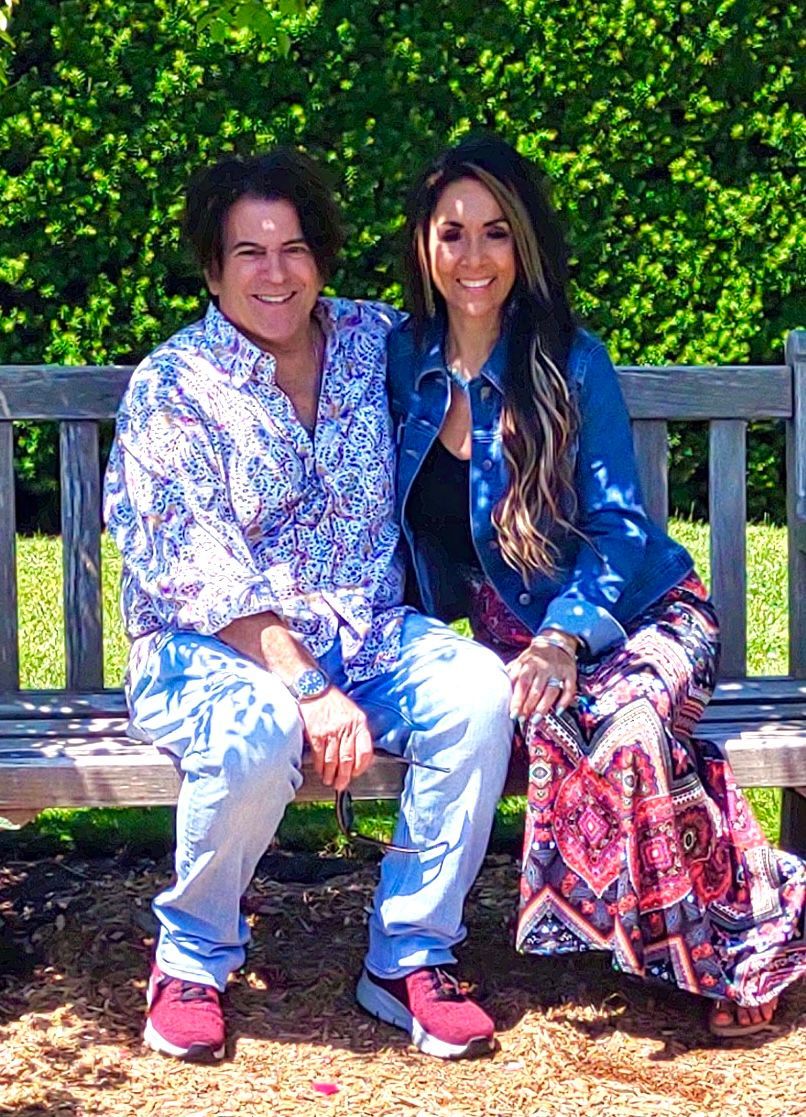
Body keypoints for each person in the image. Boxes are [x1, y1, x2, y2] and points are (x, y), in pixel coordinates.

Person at [386, 134, 806, 1037]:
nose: (473, 256)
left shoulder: (571, 360)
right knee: (555, 720)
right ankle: (718, 924)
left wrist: (565, 634)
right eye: (451, 231)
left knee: (628, 729)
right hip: (512, 640)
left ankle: (746, 945)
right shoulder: (398, 361)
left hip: (640, 614)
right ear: (423, 243)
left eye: (495, 232)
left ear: (524, 244)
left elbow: (620, 527)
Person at [104, 149, 514, 1062]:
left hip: (367, 640)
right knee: (256, 727)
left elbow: (486, 314)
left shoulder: (375, 344)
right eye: (247, 252)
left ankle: (409, 954)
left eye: (293, 247)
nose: (275, 273)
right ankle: (193, 960)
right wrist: (307, 687)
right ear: (211, 269)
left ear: (321, 256)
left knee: (480, 692)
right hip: (211, 652)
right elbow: (195, 568)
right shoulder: (174, 388)